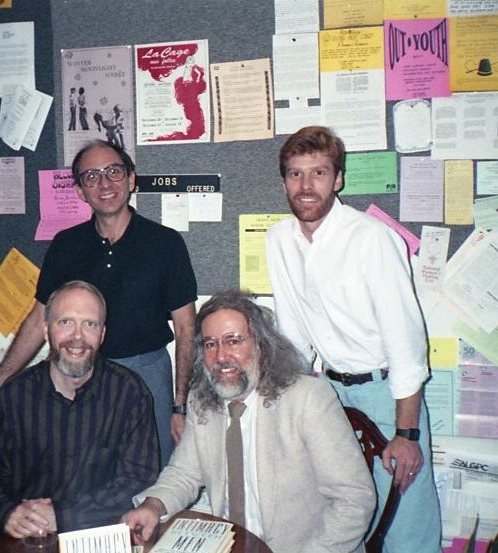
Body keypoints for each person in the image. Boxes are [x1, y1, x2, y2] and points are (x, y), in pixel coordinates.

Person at [0, 140, 197, 468]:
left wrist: (180, 406)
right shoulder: (65, 245)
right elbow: (37, 321)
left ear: (131, 180)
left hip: (147, 376)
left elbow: (187, 327)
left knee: (152, 479)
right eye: (91, 177)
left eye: (114, 172)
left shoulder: (166, 243)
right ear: (79, 191)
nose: (104, 184)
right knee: (82, 478)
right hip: (78, 376)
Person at [265, 126, 442, 553]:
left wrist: (408, 433)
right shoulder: (279, 239)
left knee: (405, 527)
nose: (306, 187)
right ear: (284, 179)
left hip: (387, 395)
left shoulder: (371, 239)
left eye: (319, 173)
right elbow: (293, 336)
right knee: (345, 519)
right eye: (295, 174)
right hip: (328, 395)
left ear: (338, 179)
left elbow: (406, 344)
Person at [122, 290, 375, 553]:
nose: (221, 356)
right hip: (231, 545)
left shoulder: (308, 398)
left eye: (233, 341)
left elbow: (354, 500)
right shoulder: (202, 400)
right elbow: (183, 473)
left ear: (261, 345)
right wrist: (153, 505)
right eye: (210, 344)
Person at [0, 281, 159, 549]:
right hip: (24, 538)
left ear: (102, 334)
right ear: (46, 330)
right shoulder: (15, 394)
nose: (77, 336)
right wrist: (8, 511)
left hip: (92, 537)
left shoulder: (130, 393)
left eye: (89, 324)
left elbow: (138, 477)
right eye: (65, 322)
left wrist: (62, 516)